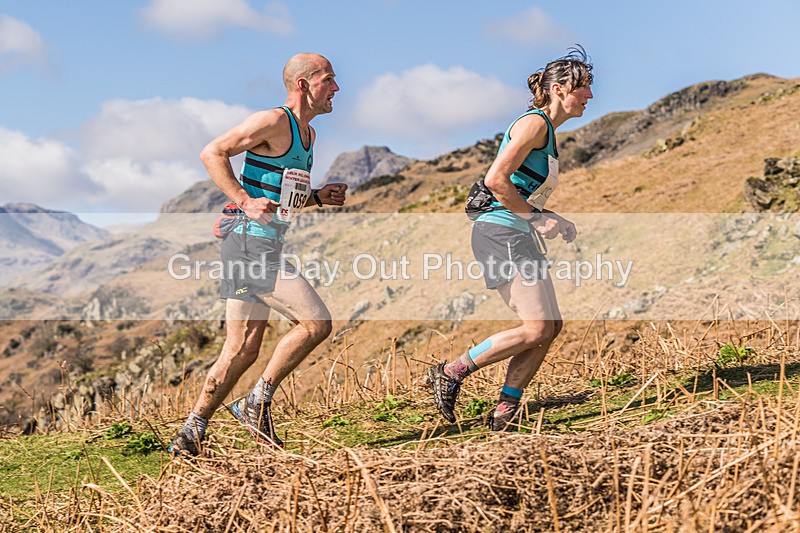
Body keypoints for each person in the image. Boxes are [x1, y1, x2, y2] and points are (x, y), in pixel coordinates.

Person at [169, 53, 347, 455]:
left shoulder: (308, 136)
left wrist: (317, 197)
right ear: (304, 84)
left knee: (243, 349)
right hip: (249, 243)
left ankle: (191, 431)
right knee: (316, 324)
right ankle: (257, 401)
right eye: (329, 79)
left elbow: (280, 199)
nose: (337, 88)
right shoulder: (273, 120)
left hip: (258, 243)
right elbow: (212, 152)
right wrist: (243, 200)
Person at [427, 46, 593, 431]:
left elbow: (518, 188)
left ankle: (506, 409)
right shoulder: (534, 124)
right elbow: (495, 180)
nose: (589, 96)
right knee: (536, 328)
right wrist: (536, 218)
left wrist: (549, 217)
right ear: (559, 89)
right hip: (500, 233)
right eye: (583, 87)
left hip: (515, 231)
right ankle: (451, 372)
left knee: (550, 326)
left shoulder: (546, 132)